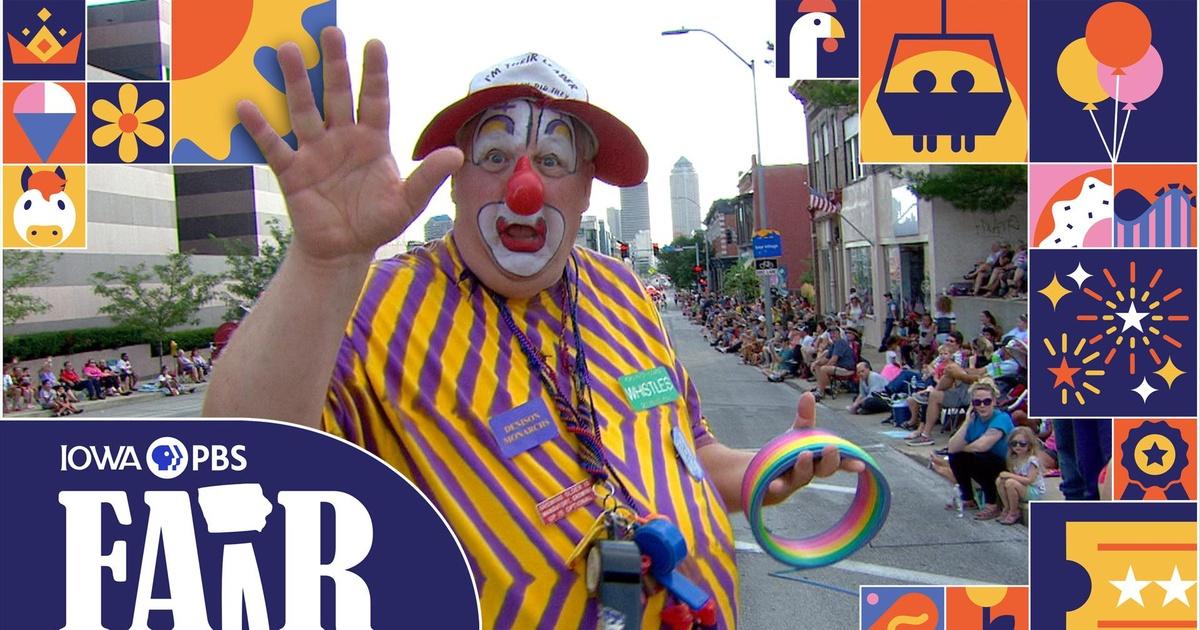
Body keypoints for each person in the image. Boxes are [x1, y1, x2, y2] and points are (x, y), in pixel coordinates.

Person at [203, 33, 861, 628]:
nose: (524, 186)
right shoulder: (371, 303)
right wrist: (324, 263)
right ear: (453, 179)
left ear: (585, 189)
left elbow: (685, 451)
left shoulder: (621, 291)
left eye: (552, 160)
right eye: (494, 155)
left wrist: (758, 475)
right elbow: (242, 461)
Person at [946, 379, 1014, 520]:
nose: (982, 406)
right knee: (956, 456)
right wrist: (966, 422)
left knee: (979, 456)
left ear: (994, 401)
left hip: (1004, 465)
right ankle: (968, 499)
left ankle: (992, 504)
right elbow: (952, 448)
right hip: (986, 462)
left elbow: (983, 445)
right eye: (977, 402)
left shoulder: (1002, 418)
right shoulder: (973, 419)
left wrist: (964, 448)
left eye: (987, 401)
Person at [995, 426, 1046, 525]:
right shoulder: (1013, 458)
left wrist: (1009, 475)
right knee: (1000, 481)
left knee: (1010, 482)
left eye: (1022, 444)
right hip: (1022, 488)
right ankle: (1007, 508)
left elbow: (1029, 480)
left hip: (1035, 491)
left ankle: (1014, 512)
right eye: (1014, 443)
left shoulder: (1032, 460)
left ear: (1029, 445)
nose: (1018, 446)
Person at [811, 327, 856, 401]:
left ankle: (821, 392)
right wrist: (816, 362)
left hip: (847, 369)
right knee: (817, 366)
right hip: (839, 367)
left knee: (823, 369)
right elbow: (826, 359)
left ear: (839, 334)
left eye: (834, 333)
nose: (832, 335)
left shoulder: (840, 342)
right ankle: (821, 387)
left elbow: (833, 360)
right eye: (831, 333)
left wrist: (824, 366)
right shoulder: (834, 345)